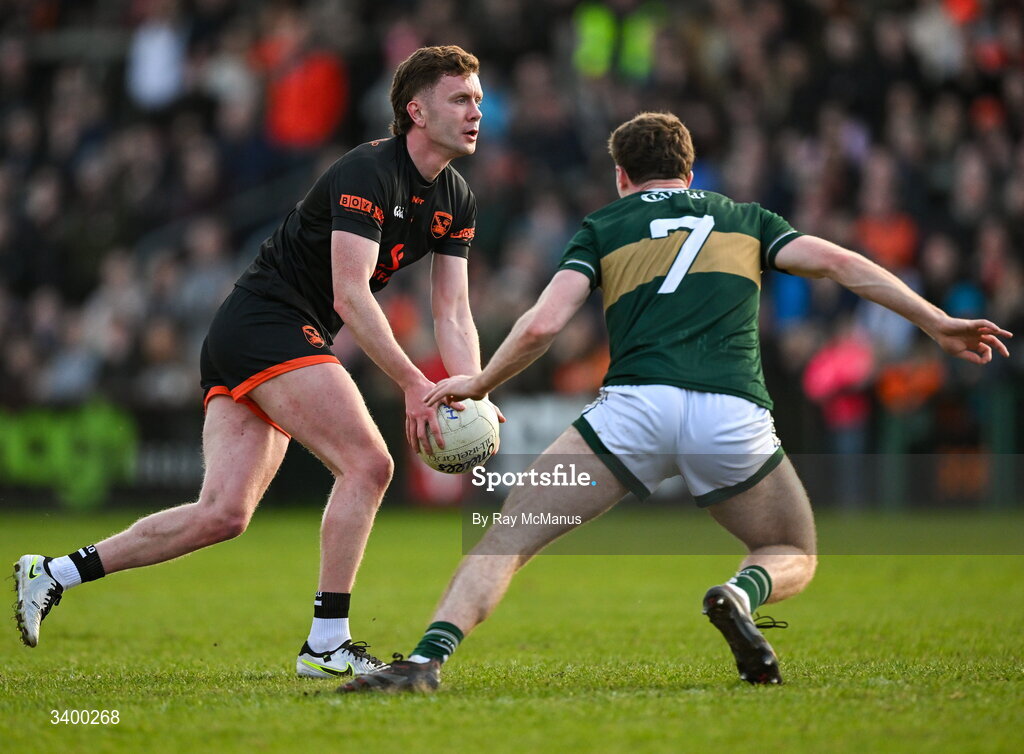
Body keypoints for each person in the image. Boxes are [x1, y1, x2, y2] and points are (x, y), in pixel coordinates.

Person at [338, 111, 1012, 692]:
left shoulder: (604, 226)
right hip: (732, 417)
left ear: (622, 177)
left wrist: (478, 385)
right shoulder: (746, 220)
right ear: (689, 172)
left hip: (633, 414)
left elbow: (545, 324)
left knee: (507, 540)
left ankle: (425, 661)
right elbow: (842, 263)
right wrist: (934, 322)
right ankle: (739, 594)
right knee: (790, 548)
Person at [15, 45, 501, 680]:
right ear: (416, 109)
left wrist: (475, 389)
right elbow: (348, 294)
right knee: (370, 463)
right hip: (265, 325)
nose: (475, 112)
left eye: (479, 101)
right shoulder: (368, 172)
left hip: (263, 333)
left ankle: (52, 573)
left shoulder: (457, 198)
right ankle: (327, 641)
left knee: (224, 513)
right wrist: (415, 382)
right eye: (460, 99)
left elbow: (454, 312)